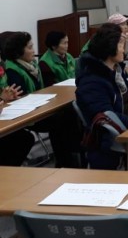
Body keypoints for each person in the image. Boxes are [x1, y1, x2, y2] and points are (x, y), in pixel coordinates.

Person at [4, 31, 82, 168]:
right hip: (28, 115)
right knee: (62, 119)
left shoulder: (33, 66)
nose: (33, 51)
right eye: (30, 47)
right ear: (18, 52)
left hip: (40, 106)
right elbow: (21, 98)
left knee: (69, 113)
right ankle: (65, 162)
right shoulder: (12, 71)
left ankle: (72, 158)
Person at [76, 24, 128, 169]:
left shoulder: (118, 70)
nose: (123, 50)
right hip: (110, 143)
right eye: (120, 45)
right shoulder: (91, 80)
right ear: (109, 47)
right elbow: (107, 117)